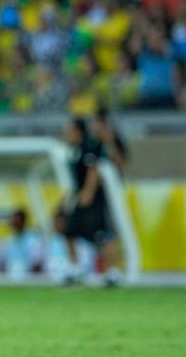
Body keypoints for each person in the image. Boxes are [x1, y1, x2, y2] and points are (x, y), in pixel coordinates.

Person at [62, 118, 121, 286]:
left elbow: (93, 169)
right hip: (80, 197)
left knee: (102, 234)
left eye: (69, 130)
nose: (66, 134)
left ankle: (113, 272)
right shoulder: (74, 150)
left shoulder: (89, 147)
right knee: (69, 231)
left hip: (93, 199)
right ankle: (76, 269)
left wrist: (88, 192)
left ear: (78, 131)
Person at [4, 209, 43, 281]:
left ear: (23, 221)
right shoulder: (9, 239)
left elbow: (37, 261)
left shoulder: (33, 238)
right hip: (11, 274)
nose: (14, 223)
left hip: (28, 274)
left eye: (16, 220)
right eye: (13, 220)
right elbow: (5, 260)